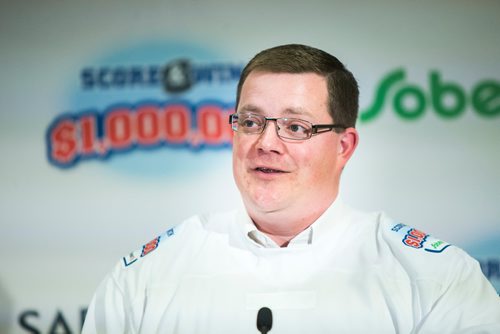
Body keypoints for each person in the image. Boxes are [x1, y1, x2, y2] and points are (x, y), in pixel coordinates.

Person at [82, 44, 500, 333]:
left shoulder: (435, 279)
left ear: (344, 146)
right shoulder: (144, 279)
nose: (265, 142)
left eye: (295, 127)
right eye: (251, 121)